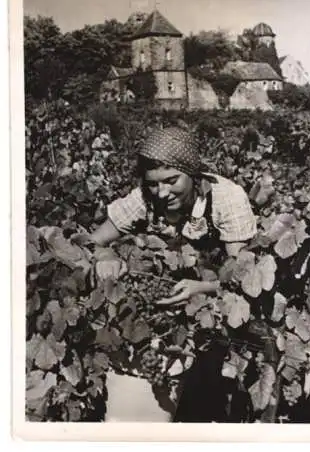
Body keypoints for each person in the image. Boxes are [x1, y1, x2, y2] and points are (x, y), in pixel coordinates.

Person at [84, 126, 257, 422]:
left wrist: (201, 288)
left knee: (206, 394)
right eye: (153, 184)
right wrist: (106, 254)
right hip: (166, 308)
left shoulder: (226, 199)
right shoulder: (144, 199)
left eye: (171, 181)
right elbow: (91, 241)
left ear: (193, 173)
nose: (161, 193)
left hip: (213, 306)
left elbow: (240, 281)